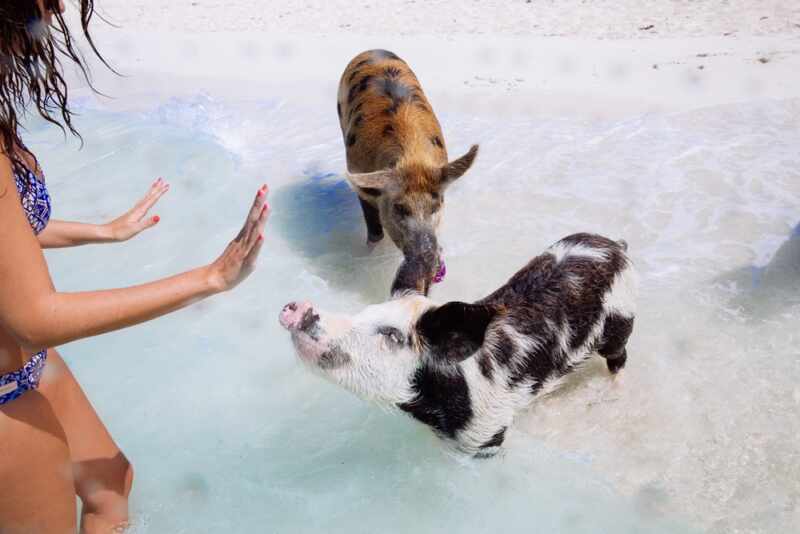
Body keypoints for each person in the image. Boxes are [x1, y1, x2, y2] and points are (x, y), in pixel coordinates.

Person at [0, 1, 270, 532]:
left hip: (29, 367)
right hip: (7, 395)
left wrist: (101, 231)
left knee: (111, 485)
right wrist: (209, 277)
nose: (56, 12)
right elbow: (34, 317)